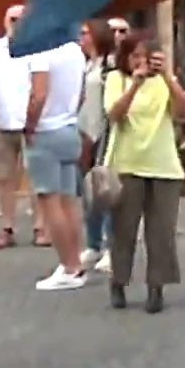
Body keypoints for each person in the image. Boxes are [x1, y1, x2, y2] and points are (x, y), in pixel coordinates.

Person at [101, 30, 185, 313]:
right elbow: (114, 115)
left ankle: (156, 287)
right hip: (127, 163)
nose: (140, 62)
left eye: (146, 57)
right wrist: (134, 86)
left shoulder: (164, 82)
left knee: (161, 232)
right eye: (134, 56)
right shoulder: (116, 79)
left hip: (163, 164)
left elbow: (181, 110)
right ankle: (118, 281)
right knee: (124, 230)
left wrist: (168, 77)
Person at [22, 22, 91, 291]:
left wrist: (30, 125)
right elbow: (81, 93)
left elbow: (39, 94)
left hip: (47, 129)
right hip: (68, 127)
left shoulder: (41, 52)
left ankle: (69, 266)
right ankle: (76, 261)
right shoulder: (75, 51)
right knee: (68, 200)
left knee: (49, 201)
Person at [0, 5, 45, 249]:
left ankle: (40, 226)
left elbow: (40, 87)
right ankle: (7, 226)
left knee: (35, 177)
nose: (17, 23)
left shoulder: (39, 47)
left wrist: (35, 120)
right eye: (13, 18)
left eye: (22, 18)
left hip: (30, 122)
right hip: (2, 120)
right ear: (4, 20)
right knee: (4, 177)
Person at [77, 18, 123, 273]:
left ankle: (109, 246)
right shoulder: (85, 66)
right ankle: (92, 243)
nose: (81, 38)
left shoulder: (109, 67)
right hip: (84, 133)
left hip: (103, 133)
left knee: (105, 191)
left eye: (85, 33)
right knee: (88, 192)